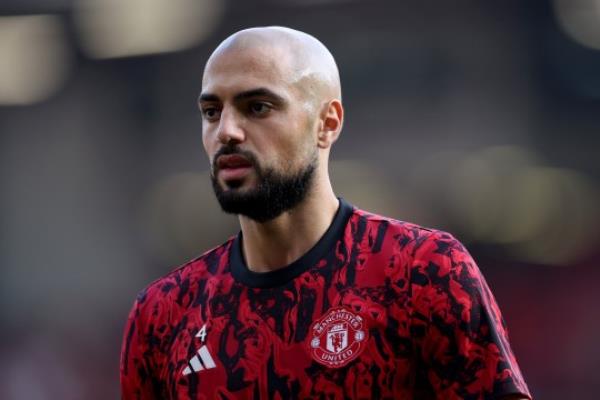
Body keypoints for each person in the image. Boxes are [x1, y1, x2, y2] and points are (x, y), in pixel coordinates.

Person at [120, 26, 532, 399]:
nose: (227, 130)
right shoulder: (163, 315)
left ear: (327, 123)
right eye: (212, 112)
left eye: (258, 107)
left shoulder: (424, 272)